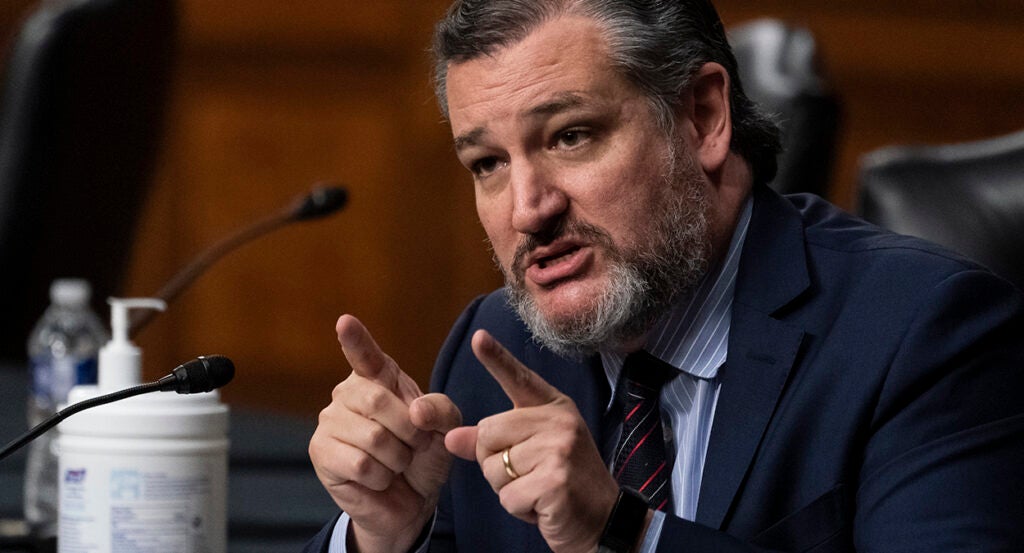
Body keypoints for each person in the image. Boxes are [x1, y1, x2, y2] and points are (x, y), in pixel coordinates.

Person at [305, 0, 1024, 551]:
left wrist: (626, 531)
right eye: (488, 163)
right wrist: (383, 534)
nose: (528, 209)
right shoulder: (494, 346)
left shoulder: (924, 334)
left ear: (704, 117)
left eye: (570, 135)